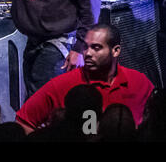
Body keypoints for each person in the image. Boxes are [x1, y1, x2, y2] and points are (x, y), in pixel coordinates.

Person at [16, 23, 154, 135]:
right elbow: (23, 121)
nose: (87, 53)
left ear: (116, 50)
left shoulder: (139, 83)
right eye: (85, 47)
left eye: (96, 48)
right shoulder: (62, 84)